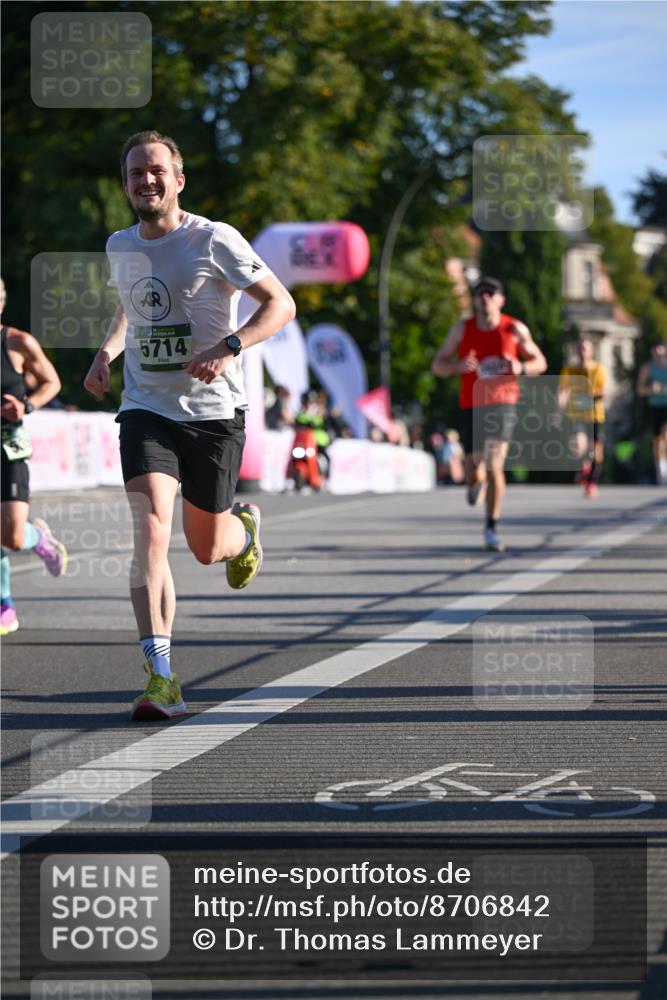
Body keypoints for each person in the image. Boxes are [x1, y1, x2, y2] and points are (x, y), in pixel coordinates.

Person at [84, 131, 295, 721]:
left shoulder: (214, 238)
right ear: (126, 184)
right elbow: (132, 304)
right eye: (134, 174)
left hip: (212, 413)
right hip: (146, 408)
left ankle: (244, 532)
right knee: (151, 530)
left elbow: (281, 304)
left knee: (206, 549)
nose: (145, 181)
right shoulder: (119, 245)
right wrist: (107, 353)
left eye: (155, 171)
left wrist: (230, 345)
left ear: (178, 179)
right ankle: (162, 677)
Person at [431, 276, 547, 551]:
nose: (485, 298)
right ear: (474, 300)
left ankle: (491, 527)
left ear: (501, 300)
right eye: (480, 293)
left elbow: (540, 361)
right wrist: (458, 365)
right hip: (472, 403)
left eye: (491, 293)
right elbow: (438, 364)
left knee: (495, 463)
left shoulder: (514, 328)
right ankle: (475, 484)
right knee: (473, 468)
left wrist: (521, 368)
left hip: (503, 402)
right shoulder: (462, 329)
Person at [1, 278, 68, 635]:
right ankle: (4, 605)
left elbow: (52, 383)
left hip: (8, 446)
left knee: (11, 535)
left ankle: (39, 539)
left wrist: (25, 405)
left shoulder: (17, 342)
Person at [558, 338, 607, 498]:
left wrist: (589, 397)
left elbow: (603, 392)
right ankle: (584, 466)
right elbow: (563, 391)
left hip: (595, 415)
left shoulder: (598, 369)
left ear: (591, 352)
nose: (582, 352)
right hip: (576, 415)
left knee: (595, 451)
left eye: (585, 348)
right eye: (579, 348)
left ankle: (592, 481)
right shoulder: (569, 370)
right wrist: (558, 410)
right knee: (577, 445)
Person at [636, 339, 667, 484]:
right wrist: (650, 389)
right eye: (655, 350)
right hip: (656, 406)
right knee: (657, 440)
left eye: (660, 349)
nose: (658, 353)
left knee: (666, 434)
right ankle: (661, 469)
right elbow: (640, 390)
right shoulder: (647, 368)